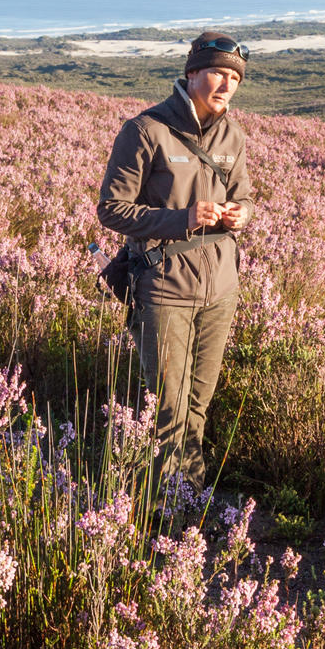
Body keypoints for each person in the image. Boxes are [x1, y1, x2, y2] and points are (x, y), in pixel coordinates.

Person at [97, 31, 257, 489]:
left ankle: (190, 492)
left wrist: (243, 213)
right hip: (164, 289)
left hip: (221, 289)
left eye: (234, 78)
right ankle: (167, 505)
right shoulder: (146, 130)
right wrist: (181, 219)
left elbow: (244, 195)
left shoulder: (233, 135)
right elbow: (112, 209)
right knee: (169, 407)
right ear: (192, 74)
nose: (226, 85)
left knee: (198, 403)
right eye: (218, 74)